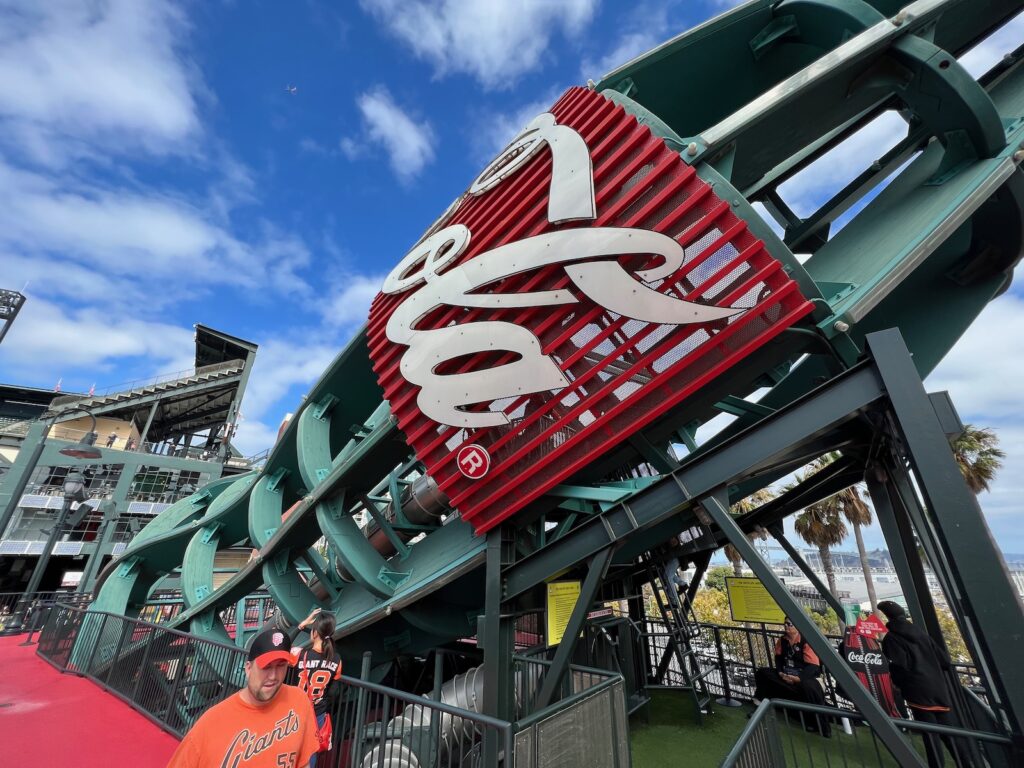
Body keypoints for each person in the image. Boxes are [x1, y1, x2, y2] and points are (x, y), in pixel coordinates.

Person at [166, 627, 320, 767]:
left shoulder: (299, 700)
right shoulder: (210, 724)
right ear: (248, 668)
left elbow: (304, 762)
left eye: (281, 665)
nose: (273, 676)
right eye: (266, 667)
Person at [878, 601, 964, 768]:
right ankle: (965, 763)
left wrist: (899, 684)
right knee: (950, 734)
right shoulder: (921, 634)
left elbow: (899, 666)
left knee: (930, 735)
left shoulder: (892, 638)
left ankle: (936, 765)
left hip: (917, 690)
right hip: (938, 689)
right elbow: (945, 661)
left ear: (887, 617)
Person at [753, 616, 830, 736]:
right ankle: (760, 704)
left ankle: (819, 725)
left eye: (790, 624)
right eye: (785, 624)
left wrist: (798, 679)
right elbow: (778, 658)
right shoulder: (782, 640)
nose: (786, 626)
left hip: (807, 678)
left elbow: (813, 666)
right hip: (787, 674)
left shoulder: (806, 641)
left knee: (808, 687)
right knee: (763, 673)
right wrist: (780, 673)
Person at [295, 610, 342, 765]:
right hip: (318, 712)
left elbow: (280, 646)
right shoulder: (336, 659)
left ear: (314, 633)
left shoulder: (300, 655)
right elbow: (333, 691)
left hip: (298, 711)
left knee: (292, 747)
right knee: (311, 751)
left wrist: (301, 625)